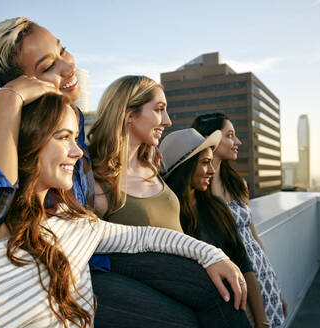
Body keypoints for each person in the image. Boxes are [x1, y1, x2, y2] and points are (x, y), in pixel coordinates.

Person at [0, 17, 249, 327]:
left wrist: (208, 252)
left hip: (98, 255)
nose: (67, 66)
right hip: (53, 280)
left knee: (222, 292)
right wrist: (9, 99)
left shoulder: (72, 121)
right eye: (47, 67)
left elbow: (90, 216)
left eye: (62, 50)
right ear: (23, 83)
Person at [0, 94, 241, 327]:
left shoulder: (72, 223)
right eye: (63, 137)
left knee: (208, 301)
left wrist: (212, 255)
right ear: (28, 144)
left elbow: (142, 238)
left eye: (76, 138)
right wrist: (12, 96)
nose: (76, 151)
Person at [88, 75, 251, 327]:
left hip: (187, 279)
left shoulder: (153, 166)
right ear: (129, 113)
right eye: (159, 110)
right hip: (156, 293)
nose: (168, 120)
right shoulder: (96, 181)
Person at [160, 128, 271, 328]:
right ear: (185, 167)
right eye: (204, 163)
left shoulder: (217, 208)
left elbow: (244, 264)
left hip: (240, 313)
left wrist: (262, 321)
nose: (212, 170)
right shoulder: (168, 218)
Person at [192, 112, 288, 327]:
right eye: (230, 135)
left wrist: (276, 289)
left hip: (262, 275)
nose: (238, 142)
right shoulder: (197, 192)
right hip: (234, 283)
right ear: (213, 140)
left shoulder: (238, 184)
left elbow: (253, 237)